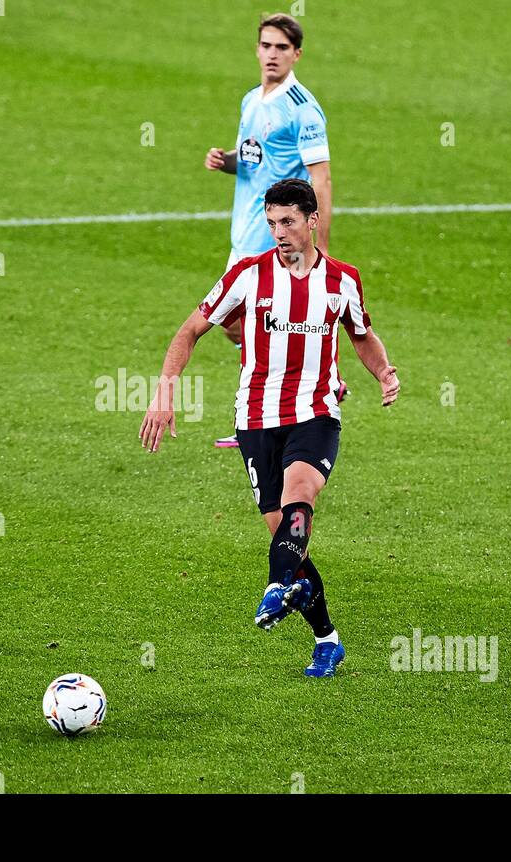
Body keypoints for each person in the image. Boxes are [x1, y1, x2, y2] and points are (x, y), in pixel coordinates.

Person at [139, 179, 399, 677]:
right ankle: (327, 637)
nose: (279, 232)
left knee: (301, 495)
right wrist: (164, 391)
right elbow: (189, 330)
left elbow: (361, 334)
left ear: (312, 220)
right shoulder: (247, 274)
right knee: (286, 535)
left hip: (315, 415)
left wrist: (383, 371)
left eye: (289, 222)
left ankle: (275, 586)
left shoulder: (342, 280)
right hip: (255, 420)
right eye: (272, 221)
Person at [204, 13, 345, 449]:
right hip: (244, 231)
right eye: (266, 45)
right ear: (257, 48)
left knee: (245, 321)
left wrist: (318, 241)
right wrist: (225, 160)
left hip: (275, 233)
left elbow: (320, 177)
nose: (272, 54)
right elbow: (255, 158)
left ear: (296, 54)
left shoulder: (302, 107)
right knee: (238, 325)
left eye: (282, 48)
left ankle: (271, 412)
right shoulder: (252, 100)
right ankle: (321, 386)